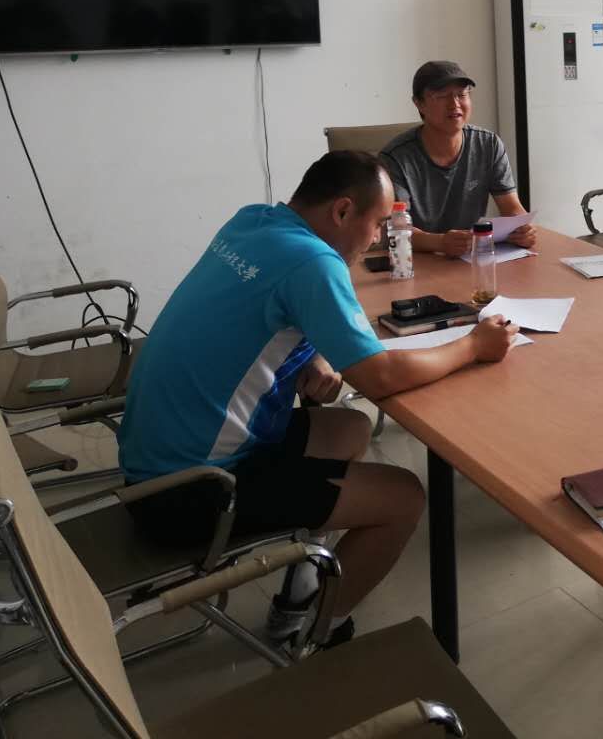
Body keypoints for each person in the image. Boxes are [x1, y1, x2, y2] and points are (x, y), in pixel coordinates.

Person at [118, 151, 519, 647]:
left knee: (348, 428)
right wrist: (473, 346)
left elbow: (267, 314)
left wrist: (314, 356)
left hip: (151, 464)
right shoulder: (312, 262)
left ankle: (301, 584)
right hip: (192, 491)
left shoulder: (254, 222)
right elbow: (380, 376)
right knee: (403, 499)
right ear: (343, 211)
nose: (377, 239)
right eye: (377, 224)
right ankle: (316, 633)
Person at [380, 60, 538, 255]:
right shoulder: (395, 158)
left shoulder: (488, 144)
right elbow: (396, 229)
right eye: (442, 96)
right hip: (416, 261)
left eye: (462, 95)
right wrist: (439, 242)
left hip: (471, 258)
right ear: (419, 103)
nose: (454, 104)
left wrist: (523, 229)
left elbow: (511, 207)